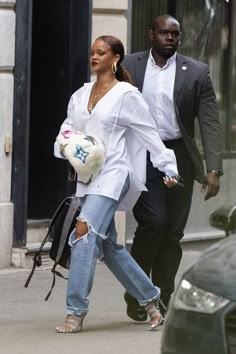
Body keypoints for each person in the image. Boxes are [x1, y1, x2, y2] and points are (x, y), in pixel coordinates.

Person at [54, 34, 180, 333]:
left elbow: (149, 133)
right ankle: (152, 301)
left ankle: (75, 311)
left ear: (115, 58)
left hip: (114, 174)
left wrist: (168, 167)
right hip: (88, 176)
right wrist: (64, 145)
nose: (94, 57)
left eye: (101, 53)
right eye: (92, 53)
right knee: (109, 246)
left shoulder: (126, 95)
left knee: (83, 232)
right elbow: (67, 130)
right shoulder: (80, 94)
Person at [122, 14, 223, 322]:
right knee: (154, 222)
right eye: (164, 33)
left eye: (175, 35)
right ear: (151, 35)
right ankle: (137, 291)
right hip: (141, 154)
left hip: (177, 154)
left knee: (173, 232)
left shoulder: (196, 71)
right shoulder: (129, 65)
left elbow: (209, 120)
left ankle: (162, 293)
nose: (170, 39)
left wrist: (213, 168)